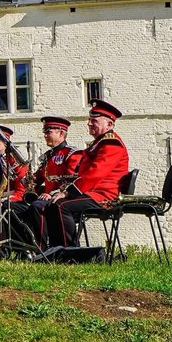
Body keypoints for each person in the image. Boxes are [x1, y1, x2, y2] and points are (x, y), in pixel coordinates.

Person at [43, 99, 129, 248]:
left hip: (105, 196)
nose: (89, 123)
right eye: (89, 120)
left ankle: (68, 250)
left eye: (94, 121)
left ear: (109, 124)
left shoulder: (111, 144)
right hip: (94, 193)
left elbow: (94, 174)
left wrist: (68, 193)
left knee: (61, 206)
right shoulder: (98, 143)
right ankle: (55, 248)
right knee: (53, 205)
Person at [18, 116, 76, 246]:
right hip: (47, 197)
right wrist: (27, 180)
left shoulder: (71, 153)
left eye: (48, 132)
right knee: (16, 207)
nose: (45, 135)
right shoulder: (48, 156)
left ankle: (41, 249)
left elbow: (71, 179)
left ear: (61, 133)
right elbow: (38, 178)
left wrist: (52, 193)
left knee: (37, 207)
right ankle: (22, 248)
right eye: (44, 132)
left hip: (62, 197)